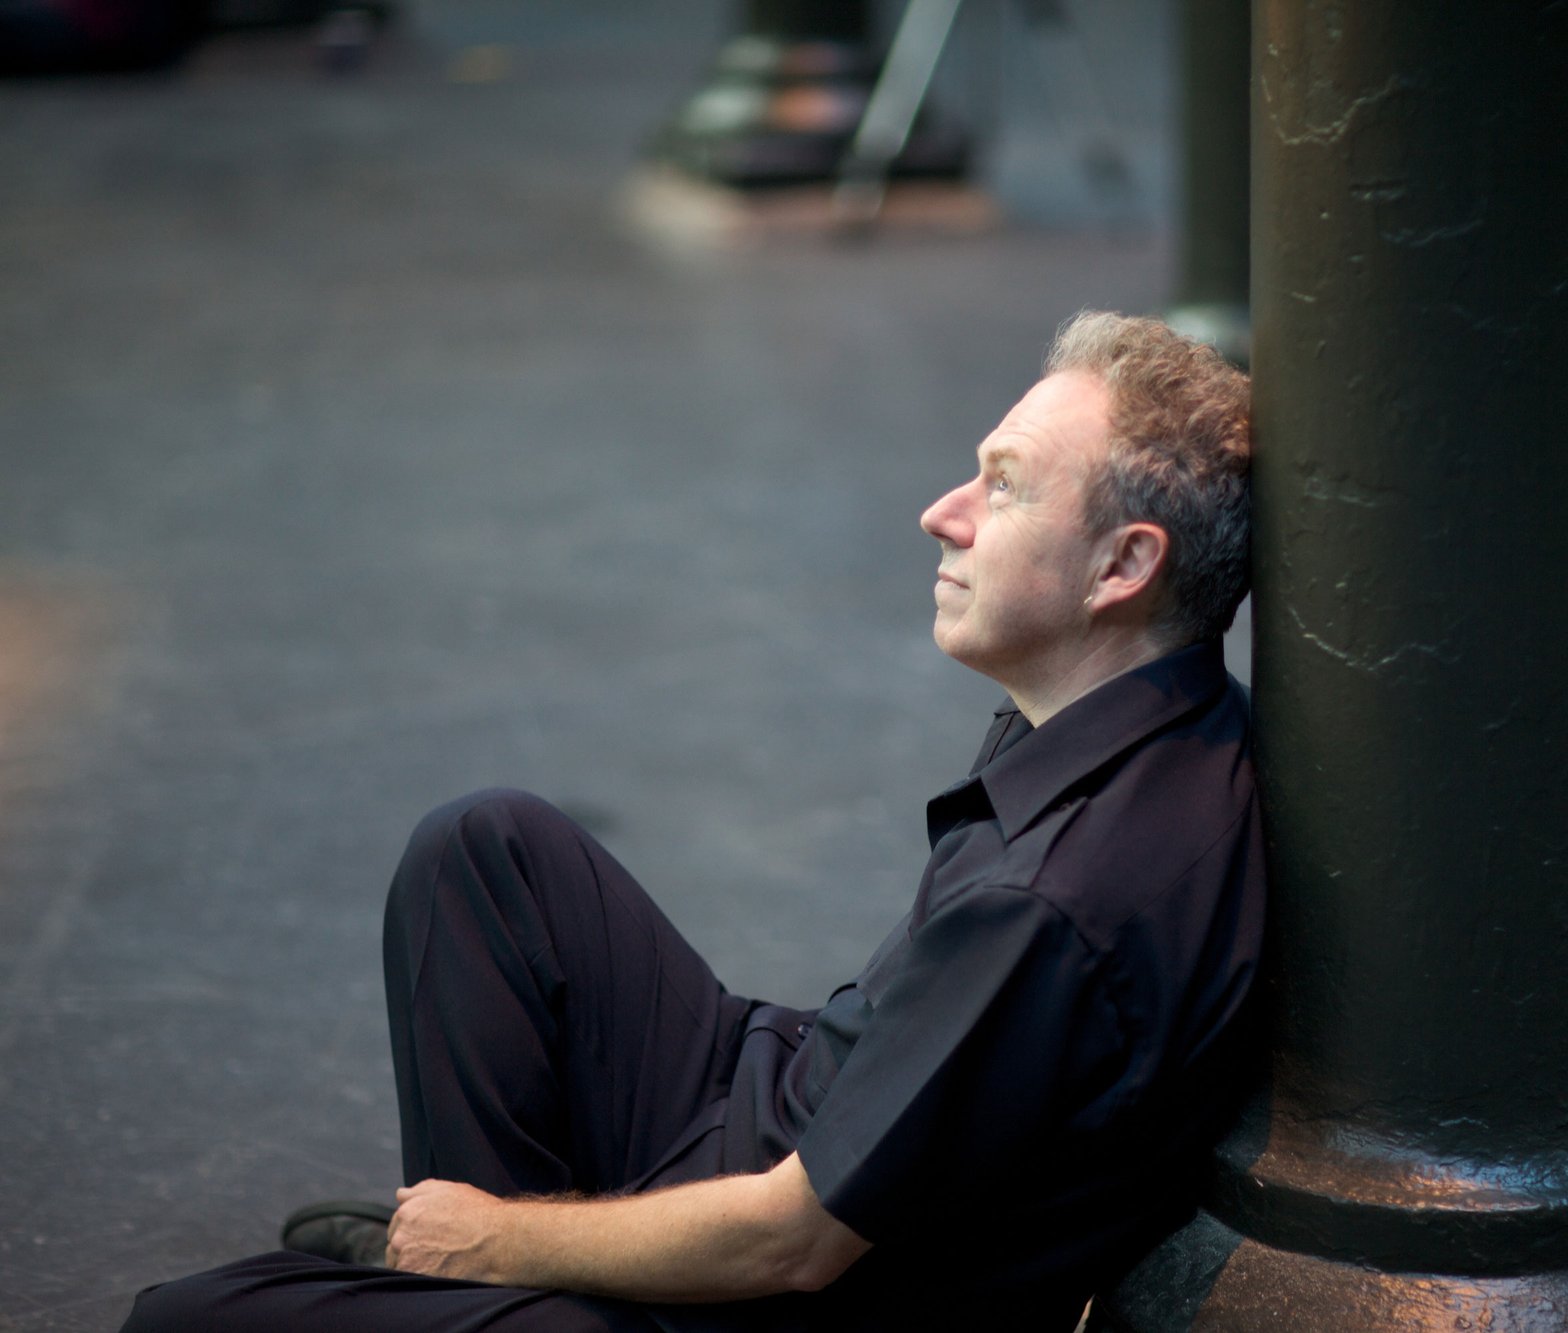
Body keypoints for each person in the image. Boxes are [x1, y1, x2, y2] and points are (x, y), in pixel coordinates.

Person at [122, 311, 1265, 1333]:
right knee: (488, 853)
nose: (941, 513)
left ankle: (485, 1270)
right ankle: (499, 1285)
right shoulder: (1138, 716)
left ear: (1123, 564)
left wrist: (492, 1236)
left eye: (1002, 486)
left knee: (182, 1318)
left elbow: (793, 1240)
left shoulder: (1053, 901)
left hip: (766, 1281)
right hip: (780, 1090)